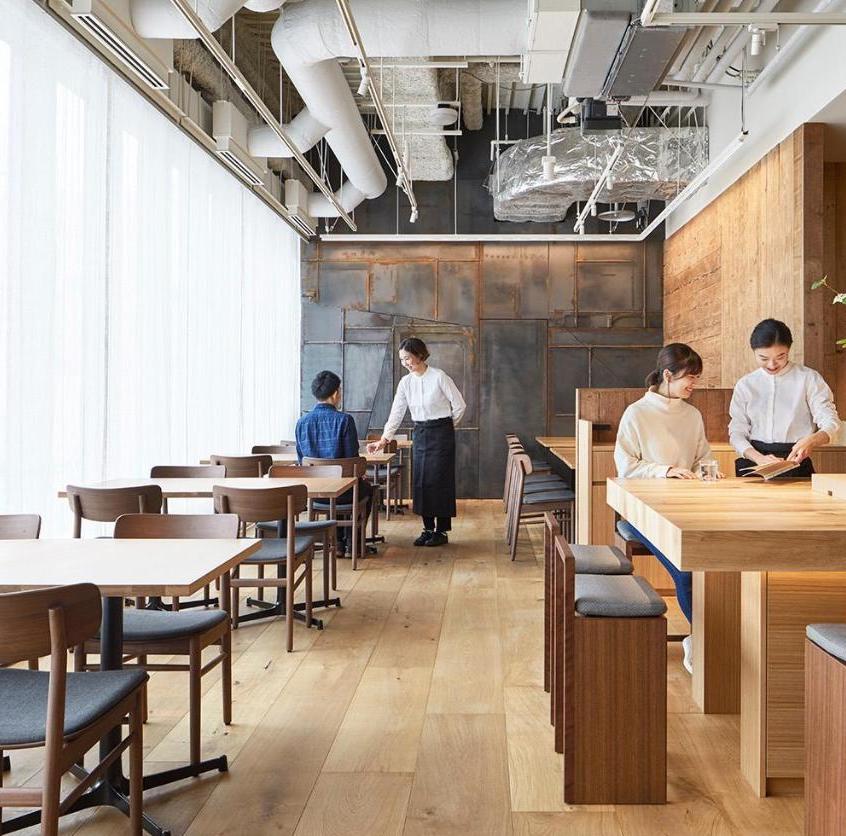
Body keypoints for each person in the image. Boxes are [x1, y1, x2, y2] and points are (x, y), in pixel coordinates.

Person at [614, 343, 716, 675]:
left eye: (696, 378)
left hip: (687, 508)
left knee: (718, 565)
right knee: (687, 569)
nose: (694, 385)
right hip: (644, 512)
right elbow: (626, 466)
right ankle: (703, 640)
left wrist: (707, 471)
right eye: (690, 378)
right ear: (668, 375)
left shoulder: (692, 415)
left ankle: (716, 639)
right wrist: (665, 470)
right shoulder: (637, 413)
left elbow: (703, 456)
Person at [367, 337, 466, 547]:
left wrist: (447, 427)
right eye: (402, 359)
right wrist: (384, 440)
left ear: (419, 355)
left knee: (440, 481)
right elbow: (396, 412)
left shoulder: (439, 376)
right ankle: (427, 529)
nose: (405, 363)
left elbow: (459, 406)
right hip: (420, 432)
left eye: (408, 358)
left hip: (441, 433)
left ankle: (441, 531)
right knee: (422, 481)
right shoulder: (406, 382)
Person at [729, 319, 840, 477]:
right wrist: (759, 458)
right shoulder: (745, 385)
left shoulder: (808, 379)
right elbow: (737, 432)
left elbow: (831, 422)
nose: (772, 365)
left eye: (780, 357)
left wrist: (813, 440)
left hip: (795, 461)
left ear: (789, 349)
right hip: (754, 462)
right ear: (753, 352)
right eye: (764, 358)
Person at [295, 370, 371, 556]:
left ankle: (337, 543)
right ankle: (353, 543)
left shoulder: (302, 422)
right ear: (336, 393)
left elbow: (301, 460)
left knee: (341, 489)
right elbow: (352, 461)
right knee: (368, 489)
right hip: (345, 492)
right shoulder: (344, 420)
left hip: (314, 494)